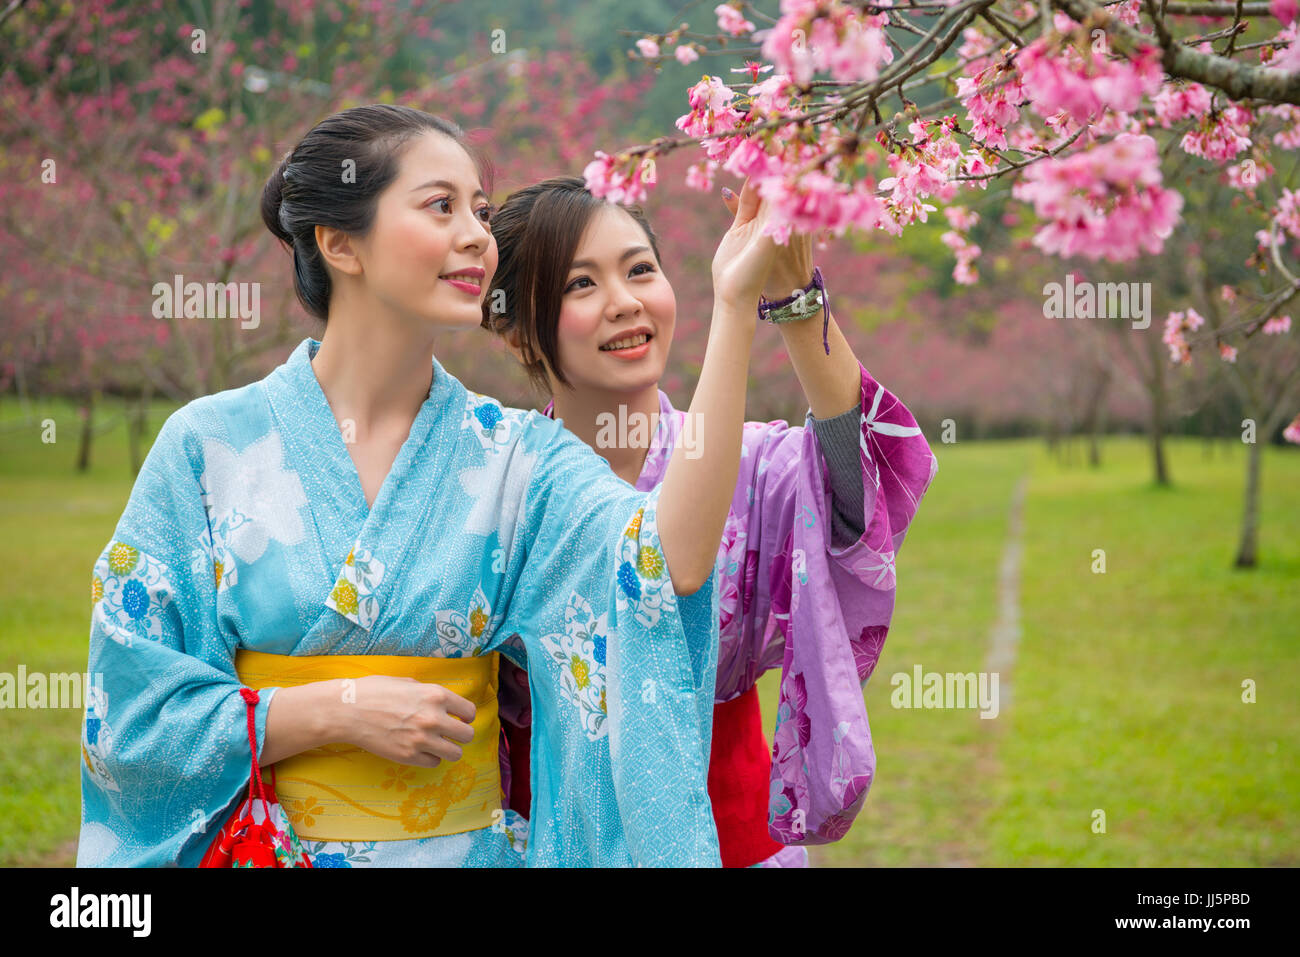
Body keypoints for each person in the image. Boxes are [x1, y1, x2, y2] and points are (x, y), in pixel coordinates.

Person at [77, 105, 781, 867]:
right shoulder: (206, 447)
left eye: (480, 210)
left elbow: (662, 564)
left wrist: (736, 306)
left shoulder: (515, 458)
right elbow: (130, 718)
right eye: (442, 206)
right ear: (339, 242)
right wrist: (326, 711)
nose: (479, 234)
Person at [483, 175, 938, 867]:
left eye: (640, 269)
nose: (625, 301)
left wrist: (793, 298)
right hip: (554, 838)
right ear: (519, 334)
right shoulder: (497, 488)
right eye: (582, 284)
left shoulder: (750, 464)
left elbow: (857, 494)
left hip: (732, 839)